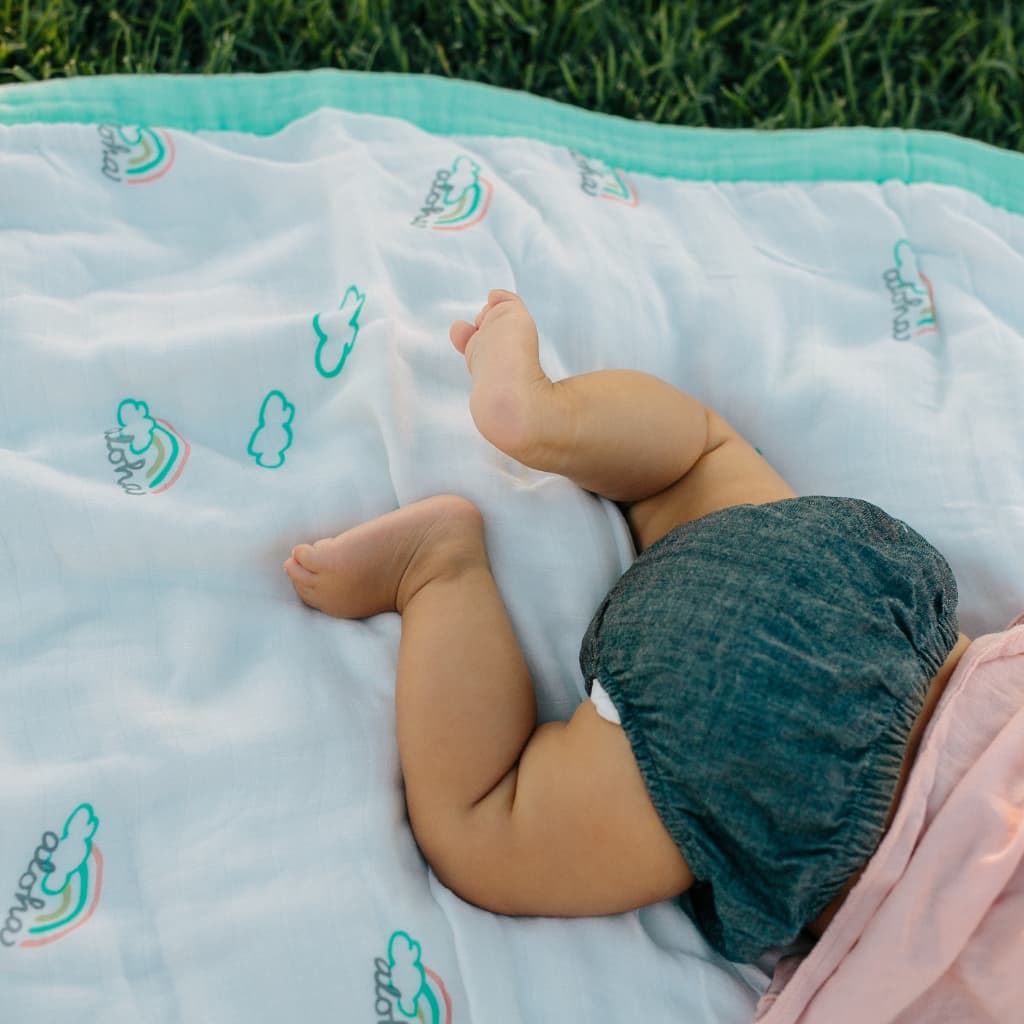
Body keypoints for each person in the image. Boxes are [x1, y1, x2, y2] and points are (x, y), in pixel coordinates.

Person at [282, 290, 969, 963]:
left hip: (867, 599)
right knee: (484, 824)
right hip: (776, 783)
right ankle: (436, 573)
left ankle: (541, 415)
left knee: (700, 458)